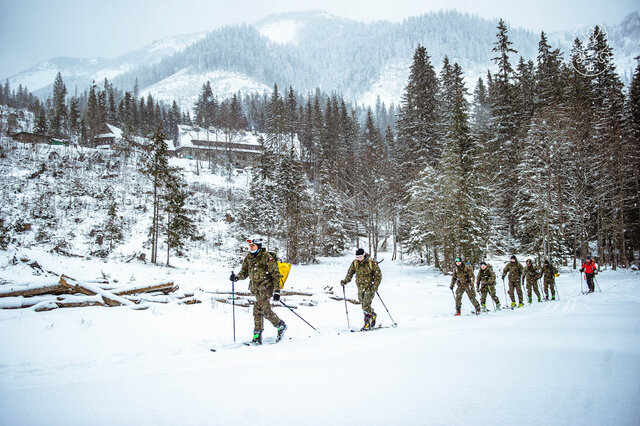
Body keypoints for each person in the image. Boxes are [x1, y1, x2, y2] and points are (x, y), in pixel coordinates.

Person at [230, 235, 286, 344]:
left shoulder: (267, 257)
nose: (251, 247)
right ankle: (257, 335)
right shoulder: (249, 258)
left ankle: (280, 325)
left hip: (266, 287)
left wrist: (277, 291)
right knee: (257, 311)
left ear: (259, 245)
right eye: (250, 245)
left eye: (253, 245)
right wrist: (236, 277)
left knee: (264, 310)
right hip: (256, 289)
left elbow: (276, 275)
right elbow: (244, 272)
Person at [341, 248, 382, 330]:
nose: (358, 258)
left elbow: (378, 275)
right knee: (362, 303)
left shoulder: (371, 262)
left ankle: (367, 324)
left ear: (363, 255)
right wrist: (345, 281)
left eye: (359, 257)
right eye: (357, 257)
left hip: (370, 287)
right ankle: (372, 315)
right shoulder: (355, 263)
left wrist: (375, 286)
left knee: (366, 304)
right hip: (360, 287)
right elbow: (350, 273)